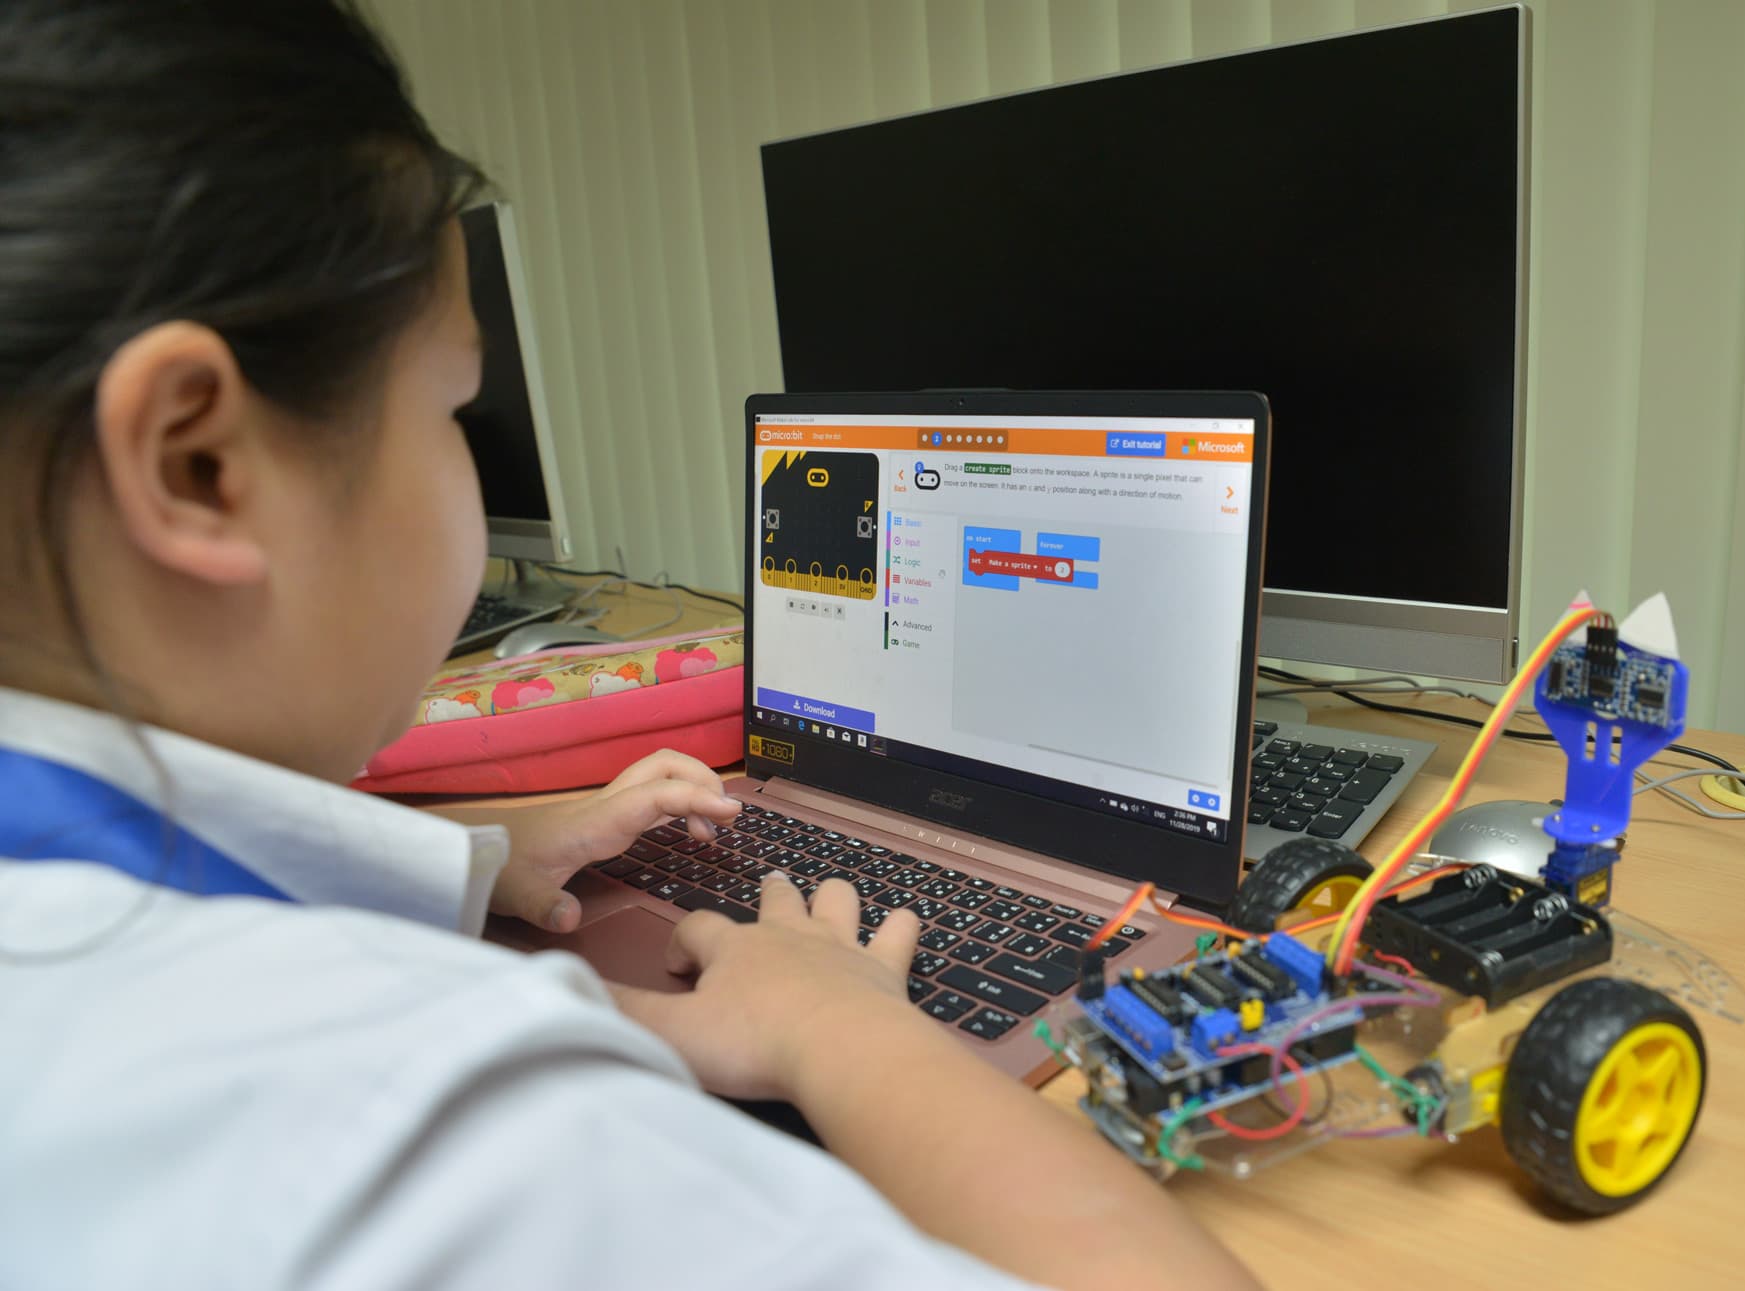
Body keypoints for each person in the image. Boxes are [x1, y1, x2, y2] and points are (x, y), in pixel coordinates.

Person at [0, 3, 1265, 1287]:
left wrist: (471, 854)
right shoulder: (413, 1115)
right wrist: (835, 1027)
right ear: (196, 464)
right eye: (455, 407)